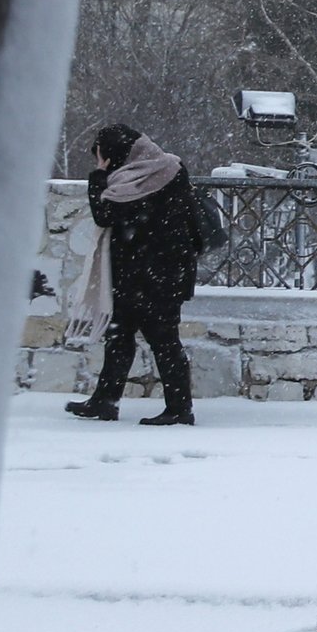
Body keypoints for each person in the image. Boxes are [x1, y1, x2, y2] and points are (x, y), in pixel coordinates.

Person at [64, 124, 210, 427]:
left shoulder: (135, 181)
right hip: (158, 273)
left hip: (150, 275)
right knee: (126, 337)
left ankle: (178, 409)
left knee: (157, 340)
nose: (100, 163)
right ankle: (106, 401)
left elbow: (103, 214)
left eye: (102, 156)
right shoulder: (171, 168)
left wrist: (98, 177)